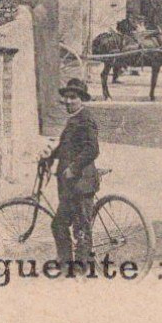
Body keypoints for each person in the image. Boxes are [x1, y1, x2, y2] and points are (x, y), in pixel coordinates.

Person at [46, 77, 100, 264]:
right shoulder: (73, 119)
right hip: (69, 186)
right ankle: (66, 262)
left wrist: (74, 167)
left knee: (81, 229)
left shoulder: (86, 119)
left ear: (81, 99)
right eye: (66, 97)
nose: (68, 101)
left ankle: (83, 269)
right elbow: (65, 147)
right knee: (59, 224)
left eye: (73, 97)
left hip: (81, 184)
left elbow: (92, 149)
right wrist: (49, 158)